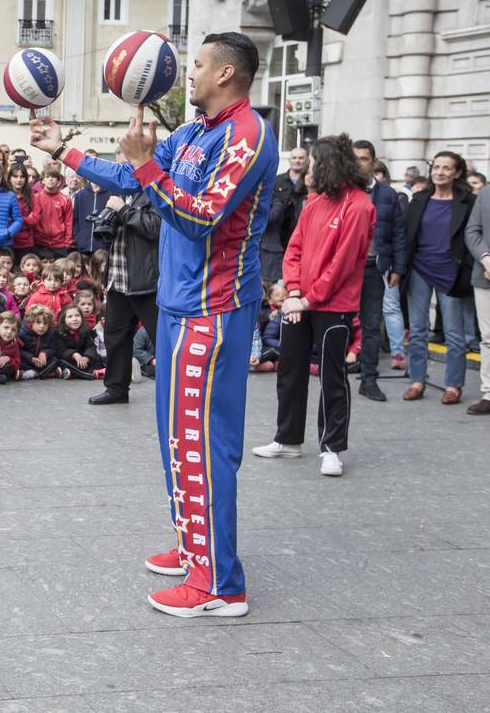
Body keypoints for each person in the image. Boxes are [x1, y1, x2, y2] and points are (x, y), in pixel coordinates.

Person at [31, 30, 277, 618]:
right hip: (176, 307)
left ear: (225, 74)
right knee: (176, 441)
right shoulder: (195, 132)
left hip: (213, 313)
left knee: (205, 446)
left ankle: (220, 585)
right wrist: (61, 150)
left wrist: (145, 167)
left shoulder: (248, 136)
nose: (186, 74)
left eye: (195, 66)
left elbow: (199, 219)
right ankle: (195, 548)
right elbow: (130, 180)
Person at [253, 135, 375, 477]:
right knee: (290, 370)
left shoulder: (360, 205)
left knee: (332, 375)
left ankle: (332, 447)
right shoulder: (314, 203)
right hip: (300, 301)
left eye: (316, 162)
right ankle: (287, 439)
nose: (310, 167)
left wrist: (307, 299)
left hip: (333, 304)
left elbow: (343, 263)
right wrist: (292, 291)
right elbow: (294, 249)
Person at [402, 151, 476, 406]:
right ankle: (417, 381)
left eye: (447, 168)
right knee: (418, 329)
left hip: (452, 273)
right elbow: (407, 236)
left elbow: (472, 237)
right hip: (420, 270)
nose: (440, 172)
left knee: (455, 334)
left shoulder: (467, 201)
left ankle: (453, 385)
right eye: (436, 167)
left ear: (457, 173)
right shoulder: (419, 199)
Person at [88, 159, 161, 405]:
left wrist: (123, 211)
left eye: (125, 168)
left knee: (162, 338)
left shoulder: (156, 191)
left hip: (145, 281)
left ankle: (178, 388)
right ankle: (116, 389)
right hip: (118, 279)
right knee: (115, 337)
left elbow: (155, 228)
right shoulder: (121, 194)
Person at [351, 140, 407, 402]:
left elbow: (398, 233)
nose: (359, 163)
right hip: (344, 270)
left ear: (373, 162)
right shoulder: (342, 190)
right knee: (340, 323)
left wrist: (398, 267)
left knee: (372, 325)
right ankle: (337, 374)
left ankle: (369, 379)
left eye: (363, 158)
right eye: (354, 158)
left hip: (374, 267)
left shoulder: (387, 195)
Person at [260, 147, 310, 285]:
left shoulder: (310, 181)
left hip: (301, 233)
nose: (297, 161)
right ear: (289, 160)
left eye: (301, 158)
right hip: (277, 238)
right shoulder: (277, 181)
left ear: (307, 160)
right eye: (294, 158)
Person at [463, 185, 490, 416]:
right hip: (486, 276)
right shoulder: (486, 194)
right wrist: (486, 259)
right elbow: (472, 231)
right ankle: (489, 393)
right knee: (488, 338)